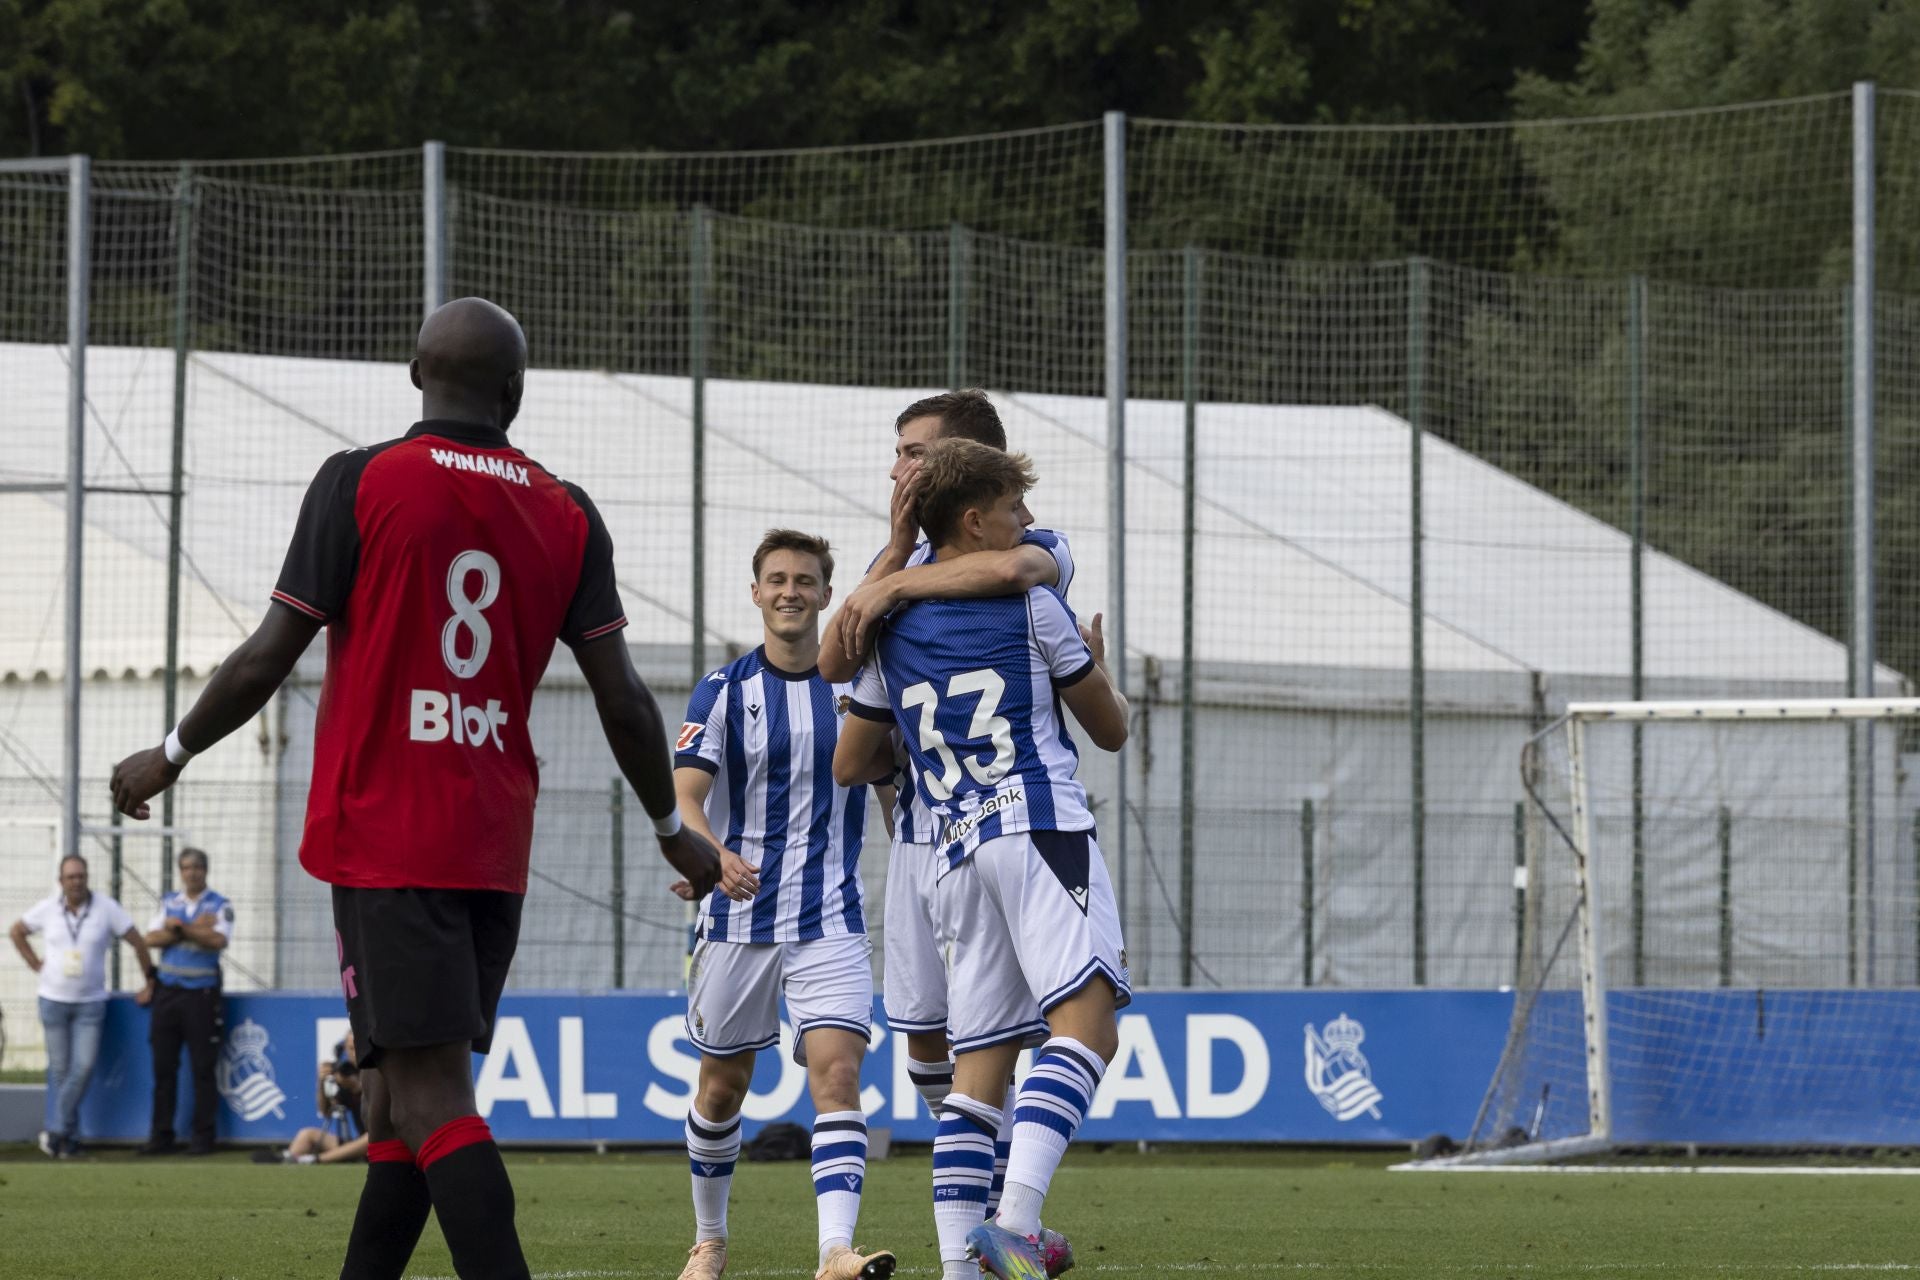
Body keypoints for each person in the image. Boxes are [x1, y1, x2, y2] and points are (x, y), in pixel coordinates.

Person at [110, 296, 722, 1280]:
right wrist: (666, 825)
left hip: (388, 836)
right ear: (515, 392)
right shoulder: (567, 511)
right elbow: (623, 697)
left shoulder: (361, 480)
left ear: (414, 374)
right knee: (393, 1098)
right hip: (492, 840)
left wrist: (171, 751)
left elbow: (270, 652)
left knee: (432, 1096)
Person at [833, 440, 1130, 1280]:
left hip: (953, 850)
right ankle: (1019, 1220)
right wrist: (1100, 669)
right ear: (974, 520)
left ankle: (962, 1272)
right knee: (1088, 1027)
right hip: (1039, 827)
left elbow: (850, 762)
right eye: (1012, 508)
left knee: (977, 1080)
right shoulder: (1035, 605)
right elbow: (1111, 730)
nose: (1026, 522)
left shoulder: (888, 632)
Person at [670, 529, 895, 1280]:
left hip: (830, 917)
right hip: (739, 918)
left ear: (826, 595)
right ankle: (709, 1240)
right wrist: (712, 855)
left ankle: (835, 1252)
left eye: (804, 580)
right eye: (777, 579)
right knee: (721, 1088)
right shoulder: (723, 690)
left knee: (837, 1076)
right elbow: (686, 796)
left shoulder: (859, 689)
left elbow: (890, 792)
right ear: (756, 592)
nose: (790, 591)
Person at [8, 854, 157, 1158]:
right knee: (61, 1072)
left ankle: (56, 1130)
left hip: (90, 1003)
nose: (76, 882)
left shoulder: (106, 908)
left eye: (81, 876)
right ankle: (69, 1140)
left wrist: (150, 980)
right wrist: (34, 962)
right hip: (53, 1000)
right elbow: (16, 931)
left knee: (84, 1067)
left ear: (88, 878)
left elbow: (137, 941)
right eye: (70, 877)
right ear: (61, 881)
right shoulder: (48, 909)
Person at [139, 846, 232, 1156]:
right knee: (163, 1068)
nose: (192, 873)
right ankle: (160, 1136)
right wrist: (193, 930)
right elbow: (150, 939)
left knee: (203, 1068)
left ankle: (203, 1138)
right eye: (186, 868)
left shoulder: (219, 904)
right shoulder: (169, 902)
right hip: (168, 994)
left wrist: (179, 928)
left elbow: (219, 940)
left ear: (205, 870)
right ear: (180, 872)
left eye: (197, 867)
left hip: (201, 995)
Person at [255, 1029, 370, 1165]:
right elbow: (326, 1112)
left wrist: (358, 1088)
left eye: (359, 1047)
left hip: (379, 1141)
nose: (355, 1053)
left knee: (371, 1137)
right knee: (307, 1134)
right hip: (358, 1144)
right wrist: (321, 1083)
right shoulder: (345, 1073)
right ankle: (288, 1160)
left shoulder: (375, 1071)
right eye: (351, 1048)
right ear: (344, 1048)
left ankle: (313, 1159)